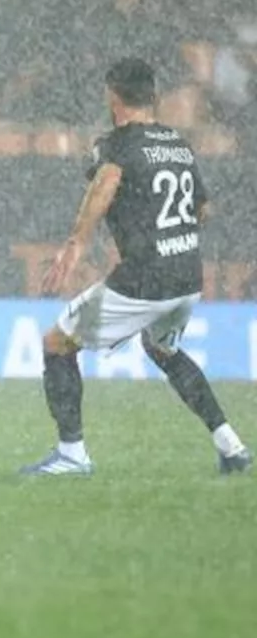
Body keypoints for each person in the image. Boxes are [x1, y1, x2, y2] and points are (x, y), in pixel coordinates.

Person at [24, 57, 251, 476]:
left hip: (147, 275)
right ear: (154, 96)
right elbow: (203, 209)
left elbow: (105, 186)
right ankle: (231, 446)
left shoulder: (118, 144)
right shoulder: (178, 143)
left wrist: (75, 245)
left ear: (112, 96)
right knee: (162, 348)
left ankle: (72, 456)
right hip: (187, 273)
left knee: (56, 343)